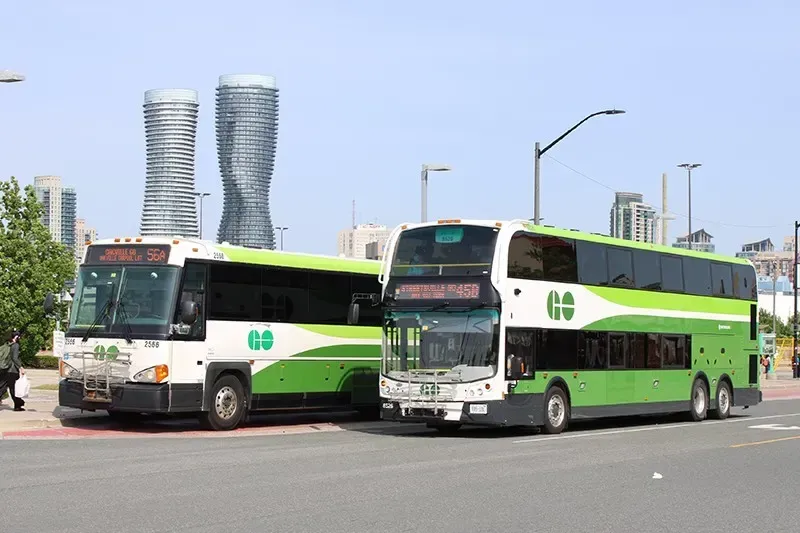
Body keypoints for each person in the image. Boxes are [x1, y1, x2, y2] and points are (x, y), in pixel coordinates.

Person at [0, 330, 26, 411]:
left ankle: (18, 404)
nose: (20, 338)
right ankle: (18, 405)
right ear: (16, 337)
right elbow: (14, 358)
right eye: (19, 337)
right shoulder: (15, 345)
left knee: (4, 387)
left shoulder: (7, 345)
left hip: (5, 369)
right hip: (12, 370)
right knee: (12, 388)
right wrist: (21, 367)